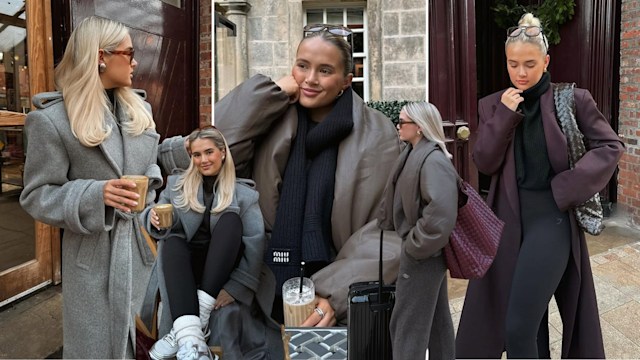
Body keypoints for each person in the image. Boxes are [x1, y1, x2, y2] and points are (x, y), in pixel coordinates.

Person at [208, 24, 403, 326]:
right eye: (303, 66)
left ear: (346, 81)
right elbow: (215, 145)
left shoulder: (378, 135)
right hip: (259, 281)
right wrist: (268, 95)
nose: (310, 79)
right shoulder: (271, 116)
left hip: (329, 295)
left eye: (325, 70)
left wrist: (337, 293)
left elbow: (387, 230)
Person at [455, 13, 625, 359]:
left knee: (517, 328)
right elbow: (485, 162)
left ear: (546, 61)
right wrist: (505, 115)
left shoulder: (574, 100)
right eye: (513, 64)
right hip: (508, 222)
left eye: (529, 64)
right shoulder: (493, 105)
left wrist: (566, 186)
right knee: (528, 325)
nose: (520, 72)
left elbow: (610, 146)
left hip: (552, 219)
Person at [19, 16, 171, 358]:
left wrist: (154, 178)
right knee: (96, 348)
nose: (135, 61)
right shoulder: (53, 120)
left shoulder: (139, 109)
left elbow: (148, 160)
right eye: (128, 53)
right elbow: (36, 195)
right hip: (92, 259)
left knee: (145, 340)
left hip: (139, 249)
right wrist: (94, 195)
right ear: (100, 56)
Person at [142, 126, 275, 360]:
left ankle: (186, 330)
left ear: (222, 153)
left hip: (222, 271)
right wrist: (153, 217)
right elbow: (159, 220)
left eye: (209, 152)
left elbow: (255, 244)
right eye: (196, 154)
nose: (203, 160)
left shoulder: (244, 195)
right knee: (172, 241)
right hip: (184, 270)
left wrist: (236, 287)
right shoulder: (176, 186)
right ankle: (193, 339)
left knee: (231, 220)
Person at [377, 102, 458, 359]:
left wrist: (414, 245)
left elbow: (440, 215)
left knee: (407, 326)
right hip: (427, 253)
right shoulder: (413, 153)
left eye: (402, 122)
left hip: (423, 254)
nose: (398, 126)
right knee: (436, 324)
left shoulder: (432, 161)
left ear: (420, 128)